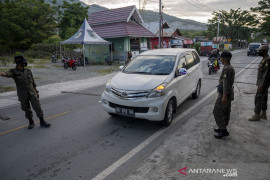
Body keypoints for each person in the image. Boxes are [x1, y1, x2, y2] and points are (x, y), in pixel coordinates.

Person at [0, 55, 50, 129]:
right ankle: (31, 122)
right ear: (19, 63)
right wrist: (0, 73)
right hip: (22, 94)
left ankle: (42, 121)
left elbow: (33, 82)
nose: (24, 63)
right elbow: (6, 74)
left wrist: (36, 91)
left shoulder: (28, 71)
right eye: (23, 62)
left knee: (37, 107)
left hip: (32, 92)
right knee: (26, 109)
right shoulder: (14, 72)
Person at [213, 51, 235, 139]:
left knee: (217, 111)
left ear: (223, 59)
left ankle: (223, 130)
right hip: (228, 92)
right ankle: (222, 127)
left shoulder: (227, 69)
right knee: (225, 111)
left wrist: (224, 96)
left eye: (221, 58)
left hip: (225, 93)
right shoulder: (229, 67)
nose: (220, 59)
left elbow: (226, 83)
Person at [249, 45, 270, 121]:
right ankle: (263, 113)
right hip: (263, 83)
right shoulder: (264, 59)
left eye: (260, 50)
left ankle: (256, 114)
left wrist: (261, 85)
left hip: (263, 83)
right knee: (264, 98)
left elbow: (266, 74)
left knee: (258, 98)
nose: (258, 52)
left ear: (264, 51)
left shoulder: (267, 60)